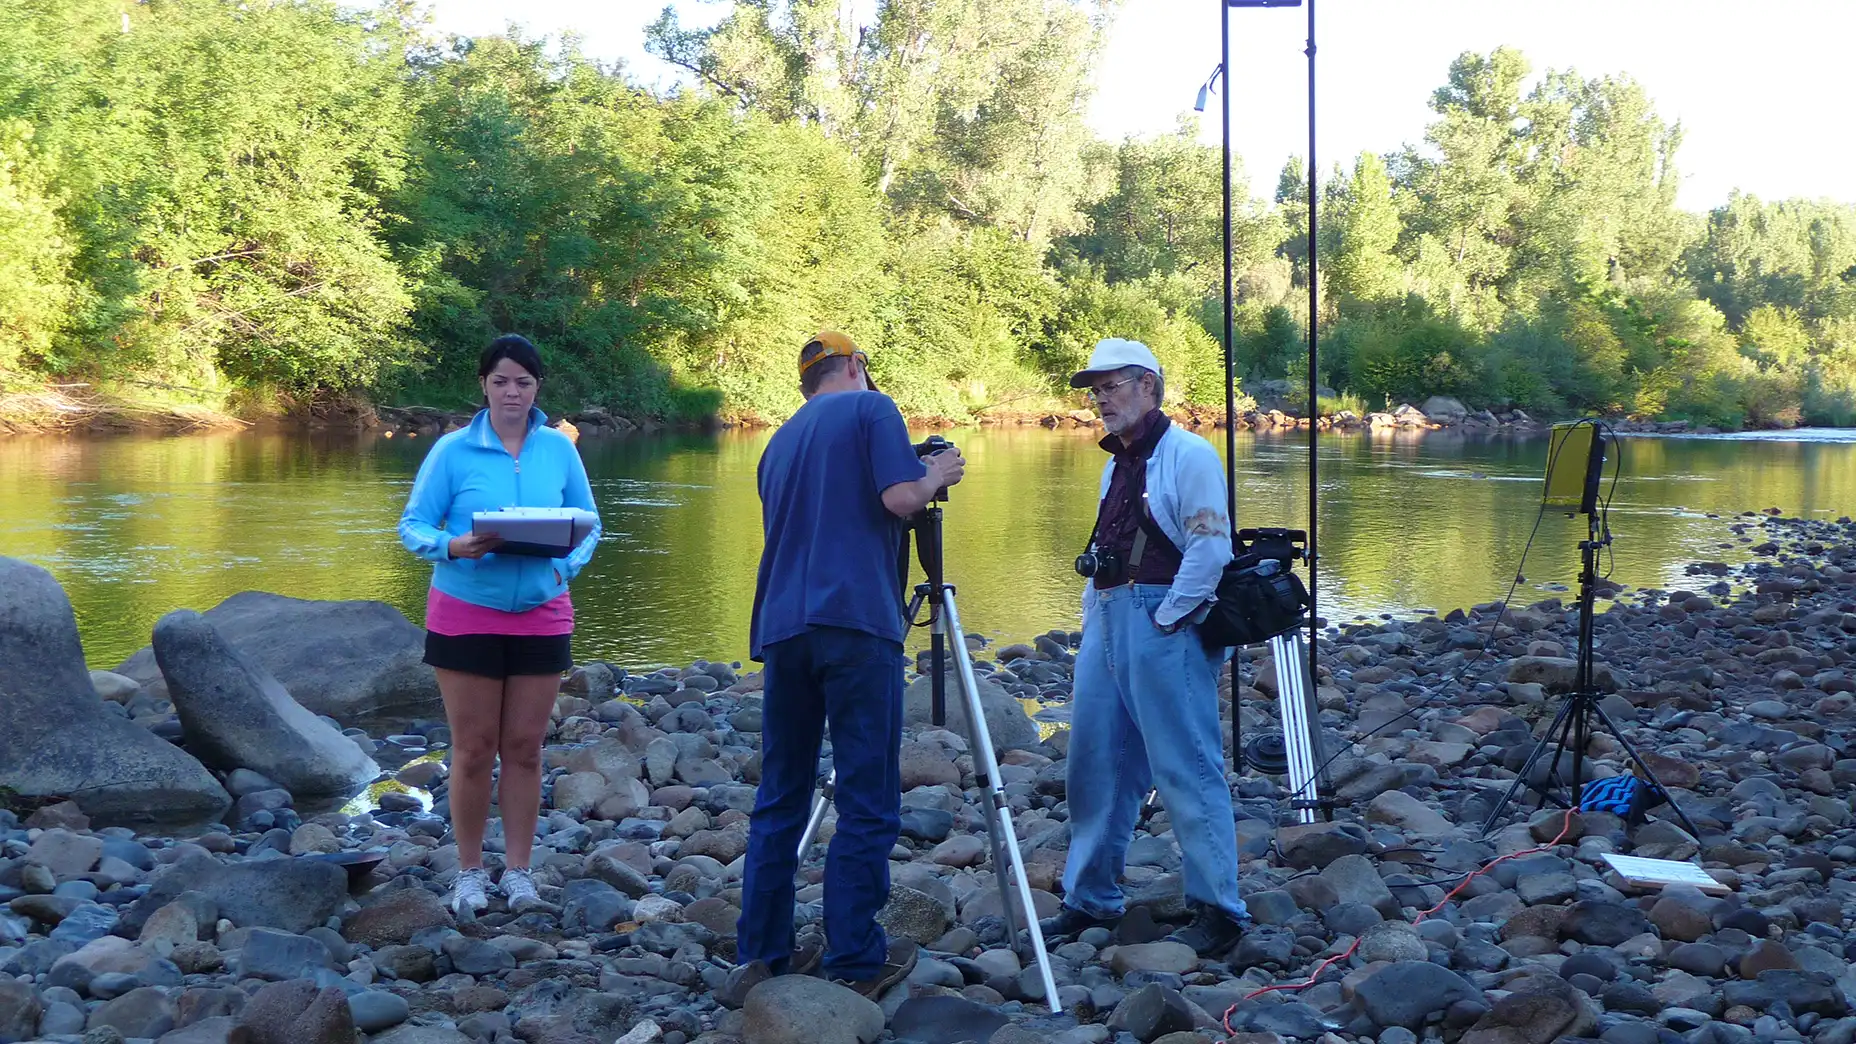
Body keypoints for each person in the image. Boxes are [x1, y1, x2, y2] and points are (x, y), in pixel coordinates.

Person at [731, 331, 966, 999]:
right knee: (866, 797)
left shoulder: (776, 442)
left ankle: (763, 952)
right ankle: (857, 957)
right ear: (856, 367)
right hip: (855, 621)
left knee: (780, 793)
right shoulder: (873, 408)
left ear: (806, 382)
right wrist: (937, 475)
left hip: (782, 626)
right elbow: (899, 499)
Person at [1040, 337, 1250, 957]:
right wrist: (1100, 618)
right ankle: (1090, 897)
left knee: (1185, 764)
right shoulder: (1115, 462)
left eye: (1112, 386)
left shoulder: (1189, 454)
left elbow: (1212, 546)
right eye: (1095, 389)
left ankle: (1219, 908)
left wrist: (1167, 619)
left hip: (1160, 619)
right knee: (1095, 761)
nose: (1101, 398)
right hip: (1108, 614)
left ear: (1150, 386)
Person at [398, 334, 602, 915]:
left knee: (525, 748)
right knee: (472, 750)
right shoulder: (452, 451)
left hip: (542, 613)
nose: (512, 392)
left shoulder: (559, 451)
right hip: (465, 613)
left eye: (524, 382)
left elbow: (590, 523)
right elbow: (412, 526)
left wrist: (564, 568)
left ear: (537, 388)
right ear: (483, 385)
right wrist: (454, 546)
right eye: (501, 381)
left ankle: (518, 872)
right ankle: (468, 871)